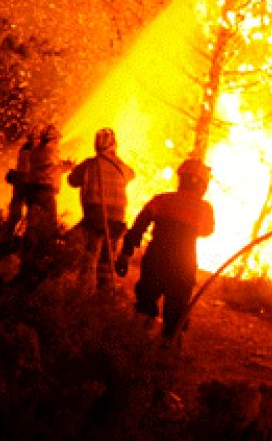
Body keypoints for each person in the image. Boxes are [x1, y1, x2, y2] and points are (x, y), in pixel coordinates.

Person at [117, 157, 215, 341]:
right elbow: (207, 231)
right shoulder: (204, 208)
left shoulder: (162, 200)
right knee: (176, 311)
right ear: (202, 185)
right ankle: (168, 351)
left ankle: (136, 344)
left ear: (181, 179)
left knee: (145, 303)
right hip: (183, 265)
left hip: (156, 260)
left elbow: (139, 226)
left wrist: (126, 252)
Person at [67, 128, 135, 290]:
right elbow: (132, 174)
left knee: (86, 247)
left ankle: (81, 287)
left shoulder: (90, 164)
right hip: (117, 218)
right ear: (114, 145)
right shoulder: (121, 167)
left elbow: (72, 180)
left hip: (95, 213)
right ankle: (105, 289)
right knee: (107, 253)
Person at [20, 125, 70, 245]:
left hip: (32, 189)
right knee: (50, 222)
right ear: (52, 140)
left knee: (33, 223)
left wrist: (61, 165)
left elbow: (44, 168)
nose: (58, 143)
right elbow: (51, 170)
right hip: (45, 190)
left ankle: (29, 248)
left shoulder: (36, 150)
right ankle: (47, 249)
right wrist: (67, 167)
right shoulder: (50, 151)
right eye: (57, 140)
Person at [4, 133, 36, 237]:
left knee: (17, 214)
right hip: (25, 185)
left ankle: (9, 235)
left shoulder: (26, 150)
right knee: (30, 214)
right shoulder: (30, 152)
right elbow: (43, 168)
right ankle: (13, 237)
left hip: (22, 184)